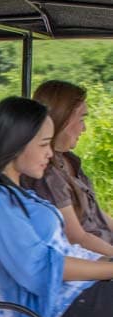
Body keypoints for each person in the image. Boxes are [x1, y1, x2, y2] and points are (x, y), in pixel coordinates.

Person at [0, 96, 113, 317]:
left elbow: (62, 252)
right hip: (58, 308)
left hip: (76, 296)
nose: (50, 153)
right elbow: (38, 269)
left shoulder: (19, 194)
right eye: (44, 144)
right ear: (17, 144)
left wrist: (104, 262)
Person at [22, 80, 113, 257]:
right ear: (62, 119)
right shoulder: (46, 175)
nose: (84, 128)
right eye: (81, 119)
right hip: (92, 263)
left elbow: (96, 213)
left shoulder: (69, 161)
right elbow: (75, 237)